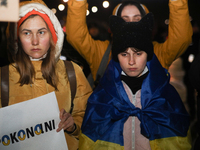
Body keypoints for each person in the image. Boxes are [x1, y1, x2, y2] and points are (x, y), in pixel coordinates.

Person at [79, 13, 191, 150]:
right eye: (124, 54)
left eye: (138, 53)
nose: (131, 61)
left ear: (148, 55)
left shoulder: (165, 94)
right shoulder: (102, 95)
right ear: (116, 57)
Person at [0, 1, 92, 150]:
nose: (35, 41)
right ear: (18, 38)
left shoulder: (72, 72)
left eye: (41, 32)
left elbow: (90, 117)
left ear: (52, 34)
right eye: (27, 33)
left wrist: (73, 124)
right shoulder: (3, 77)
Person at [66, 0, 193, 88]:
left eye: (137, 19)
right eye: (124, 20)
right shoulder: (102, 51)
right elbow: (76, 36)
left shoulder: (157, 52)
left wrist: (178, 3)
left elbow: (181, 38)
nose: (131, 24)